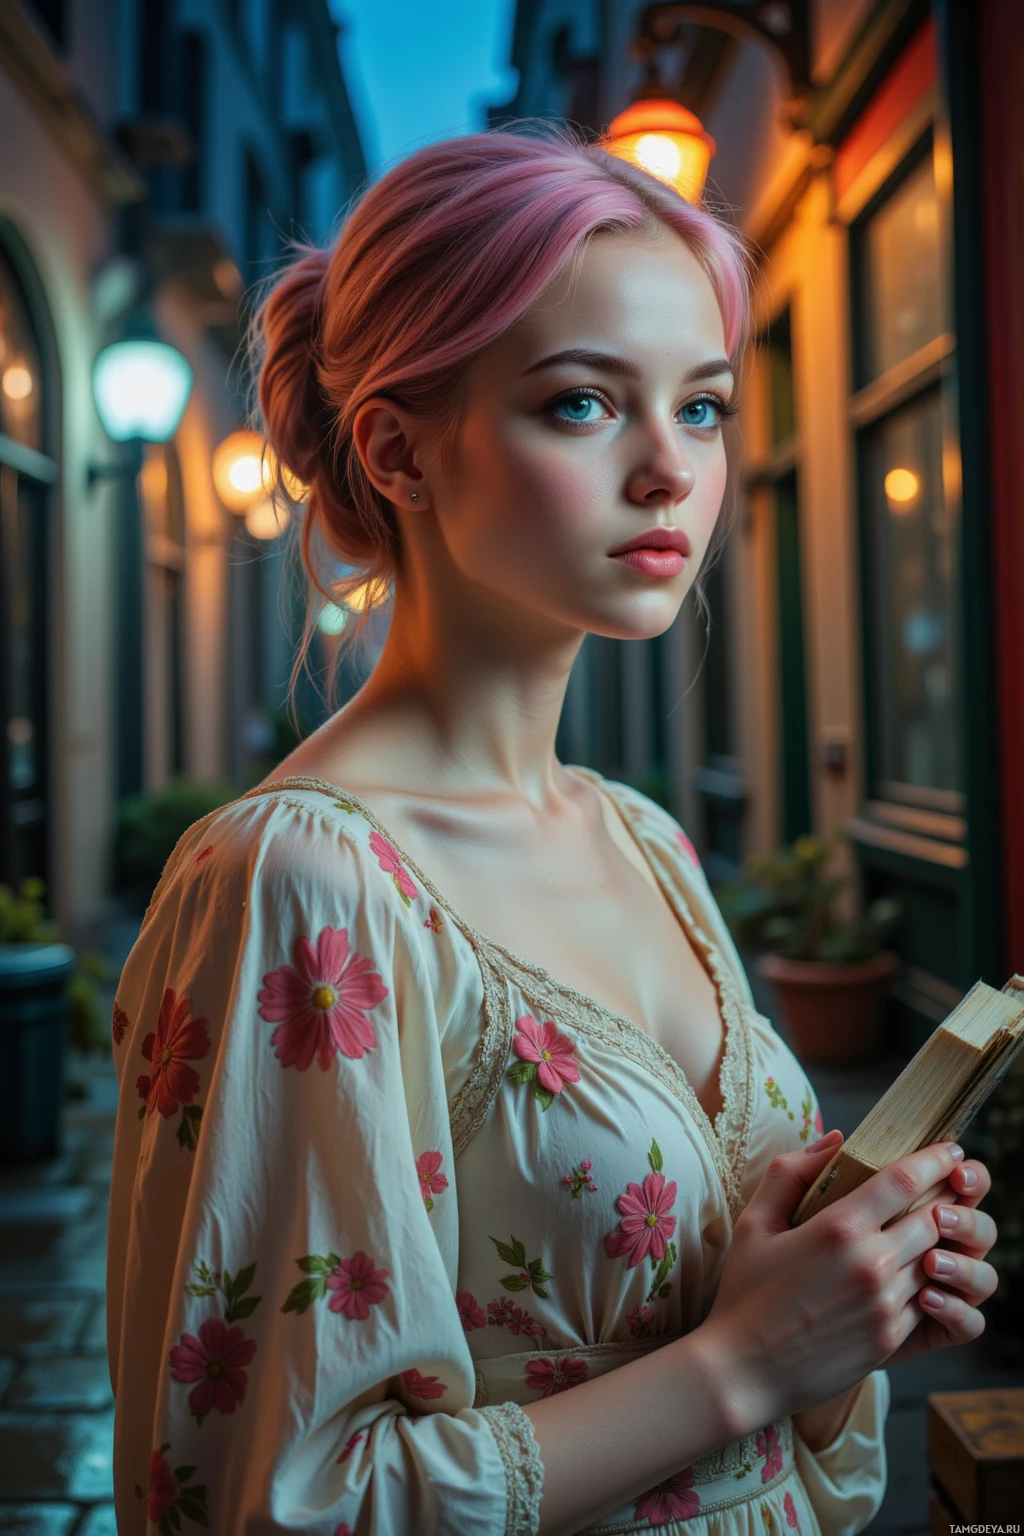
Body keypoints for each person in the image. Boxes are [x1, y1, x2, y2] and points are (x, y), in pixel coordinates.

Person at [106, 127, 998, 1536]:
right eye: (583, 404)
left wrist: (847, 1311)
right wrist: (745, 1363)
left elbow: (764, 1399)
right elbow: (277, 1502)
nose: (669, 471)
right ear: (398, 450)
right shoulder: (304, 879)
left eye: (701, 407)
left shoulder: (645, 838)